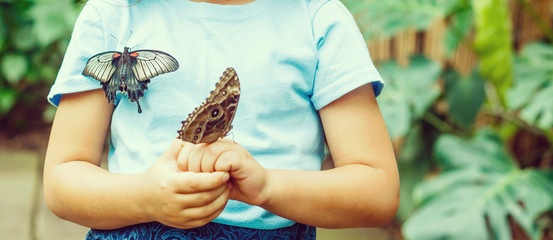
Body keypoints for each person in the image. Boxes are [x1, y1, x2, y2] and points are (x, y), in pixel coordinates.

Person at [44, 0, 399, 239]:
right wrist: (145, 197)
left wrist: (268, 187)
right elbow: (63, 180)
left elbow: (377, 190)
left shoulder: (317, 17)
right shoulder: (113, 13)